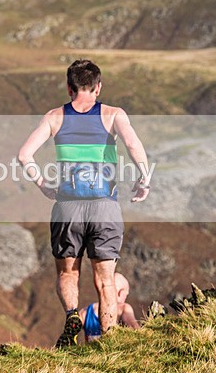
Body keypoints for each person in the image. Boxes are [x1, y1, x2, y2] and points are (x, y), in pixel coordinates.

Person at [17, 59, 150, 347]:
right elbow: (133, 145)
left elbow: (24, 155)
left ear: (69, 87)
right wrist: (143, 179)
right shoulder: (113, 114)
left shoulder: (54, 117)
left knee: (68, 272)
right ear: (98, 87)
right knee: (105, 279)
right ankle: (110, 340)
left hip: (67, 206)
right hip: (105, 205)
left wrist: (42, 185)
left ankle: (71, 317)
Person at [80, 273, 140, 342]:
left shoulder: (85, 312)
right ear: (120, 293)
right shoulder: (123, 308)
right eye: (126, 295)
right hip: (114, 352)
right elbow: (136, 331)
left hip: (91, 352)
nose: (125, 299)